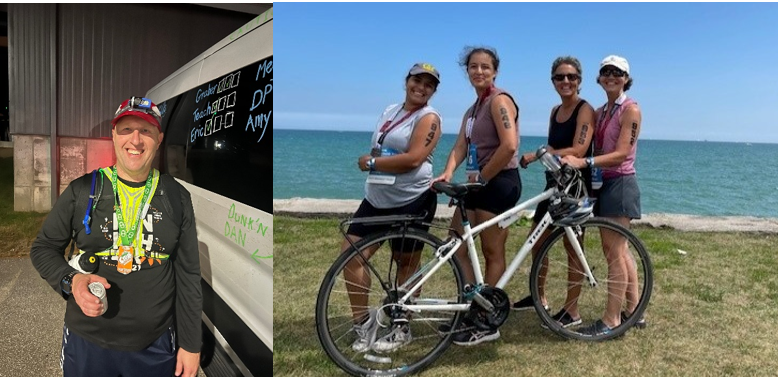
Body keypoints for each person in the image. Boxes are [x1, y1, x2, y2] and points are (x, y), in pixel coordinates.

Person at [30, 97, 203, 377]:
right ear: (113, 135)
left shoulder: (176, 196)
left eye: (145, 130)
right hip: (87, 341)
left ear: (159, 139)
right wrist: (72, 281)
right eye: (126, 130)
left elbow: (188, 274)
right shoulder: (83, 190)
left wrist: (191, 344)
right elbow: (43, 248)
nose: (135, 140)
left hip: (155, 343)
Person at [344, 63, 443, 353]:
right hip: (376, 198)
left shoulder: (430, 117)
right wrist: (376, 162)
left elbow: (414, 159)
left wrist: (373, 163)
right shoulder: (390, 110)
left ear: (433, 91)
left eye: (428, 84)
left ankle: (402, 326)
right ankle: (363, 324)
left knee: (406, 263)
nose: (421, 87)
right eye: (417, 81)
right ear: (406, 81)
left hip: (412, 199)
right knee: (351, 255)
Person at [432, 46, 520, 346]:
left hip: (499, 182)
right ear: (467, 71)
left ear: (495, 71)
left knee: (491, 252)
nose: (479, 71)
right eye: (473, 66)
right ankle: (473, 306)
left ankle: (487, 318)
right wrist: (448, 172)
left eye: (485, 67)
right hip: (476, 184)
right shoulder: (472, 110)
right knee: (455, 246)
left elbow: (509, 146)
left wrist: (483, 178)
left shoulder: (500, 101)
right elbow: (460, 145)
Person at [561, 55, 645, 336]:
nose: (611, 76)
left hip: (620, 182)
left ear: (626, 78)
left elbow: (622, 153)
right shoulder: (601, 111)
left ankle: (611, 320)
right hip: (603, 184)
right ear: (599, 78)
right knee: (619, 250)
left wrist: (584, 162)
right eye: (606, 72)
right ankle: (635, 311)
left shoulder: (630, 110)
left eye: (617, 72)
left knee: (614, 254)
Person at [510, 56, 595, 330]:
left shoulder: (585, 110)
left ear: (579, 80)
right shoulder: (555, 111)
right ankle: (540, 297)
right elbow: (552, 146)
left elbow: (579, 150)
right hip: (554, 185)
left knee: (573, 248)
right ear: (553, 81)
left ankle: (572, 310)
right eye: (560, 77)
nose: (565, 81)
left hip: (575, 187)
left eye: (571, 77)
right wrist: (544, 153)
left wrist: (538, 155)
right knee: (537, 241)